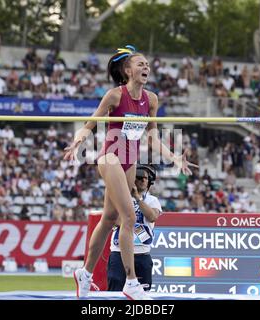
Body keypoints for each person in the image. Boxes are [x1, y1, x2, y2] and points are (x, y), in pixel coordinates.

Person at [64, 45, 197, 300]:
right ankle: (132, 282)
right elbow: (90, 123)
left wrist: (173, 157)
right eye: (140, 64)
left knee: (108, 218)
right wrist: (78, 143)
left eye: (147, 65)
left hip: (130, 161)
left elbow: (152, 139)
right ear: (127, 70)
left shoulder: (152, 100)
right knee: (128, 217)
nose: (146, 68)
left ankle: (85, 274)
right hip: (110, 158)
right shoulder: (115, 96)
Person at [107, 164, 162, 292]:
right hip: (118, 253)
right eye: (139, 177)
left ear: (149, 182)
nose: (143, 180)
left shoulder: (153, 200)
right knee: (115, 292)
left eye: (146, 178)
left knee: (142, 294)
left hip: (141, 254)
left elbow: (152, 216)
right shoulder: (119, 198)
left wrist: (137, 198)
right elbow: (115, 220)